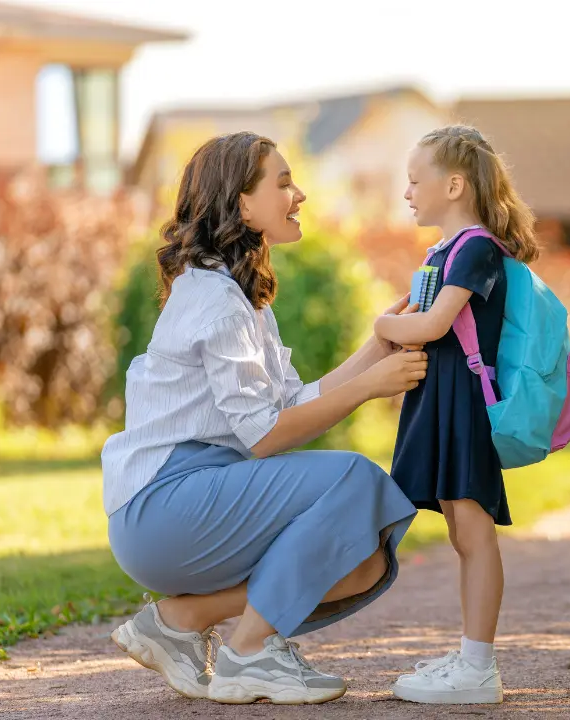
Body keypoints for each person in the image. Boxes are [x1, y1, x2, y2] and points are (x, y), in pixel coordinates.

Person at [101, 131, 427, 705]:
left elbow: (285, 405)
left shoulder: (240, 296)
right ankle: (249, 652)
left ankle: (179, 622)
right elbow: (266, 436)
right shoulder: (214, 299)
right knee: (357, 479)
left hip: (191, 500)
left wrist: (375, 349)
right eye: (282, 182)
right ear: (241, 203)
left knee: (363, 558)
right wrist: (366, 391)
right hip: (163, 505)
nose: (297, 194)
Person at [373, 124, 540, 705]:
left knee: (473, 531)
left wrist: (381, 325)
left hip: (464, 407)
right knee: (460, 529)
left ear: (454, 184)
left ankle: (479, 667)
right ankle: (471, 657)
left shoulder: (476, 247)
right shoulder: (446, 249)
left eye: (415, 181)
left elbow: (432, 325)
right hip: (443, 401)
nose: (408, 192)